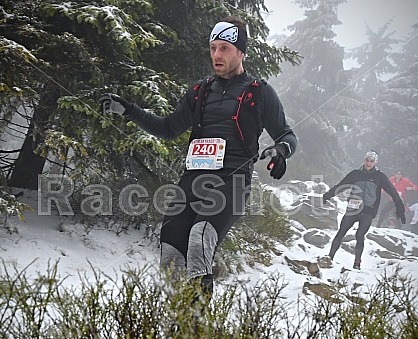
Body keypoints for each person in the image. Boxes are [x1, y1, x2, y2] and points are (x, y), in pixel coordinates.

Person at [99, 16, 297, 294]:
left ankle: (198, 329)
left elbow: (287, 135)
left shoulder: (260, 93)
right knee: (170, 247)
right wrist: (130, 110)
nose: (216, 55)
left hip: (232, 183)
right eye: (213, 47)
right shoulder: (200, 91)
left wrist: (280, 151)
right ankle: (177, 325)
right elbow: (168, 128)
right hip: (193, 180)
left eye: (224, 48)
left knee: (199, 239)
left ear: (241, 51)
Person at [322, 151, 405, 270]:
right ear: (364, 160)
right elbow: (341, 186)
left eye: (371, 161)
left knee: (360, 235)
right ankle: (330, 257)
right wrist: (328, 195)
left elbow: (393, 192)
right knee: (341, 232)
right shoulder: (355, 174)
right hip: (353, 209)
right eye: (367, 160)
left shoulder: (380, 176)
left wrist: (400, 209)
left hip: (368, 211)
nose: (368, 163)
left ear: (375, 162)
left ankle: (357, 263)